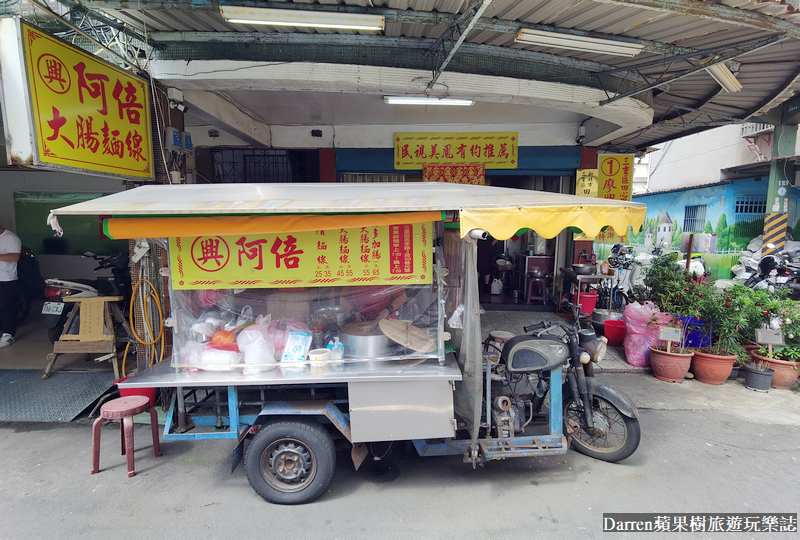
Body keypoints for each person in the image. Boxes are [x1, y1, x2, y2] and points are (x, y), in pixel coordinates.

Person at [0, 225, 21, 349]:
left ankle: (9, 335)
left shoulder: (10, 238)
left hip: (7, 279)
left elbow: (14, 257)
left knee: (7, 307)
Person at [339, 285, 408, 322]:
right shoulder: (355, 276)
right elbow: (343, 299)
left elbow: (402, 296)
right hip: (360, 322)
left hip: (386, 321)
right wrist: (355, 312)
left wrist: (388, 310)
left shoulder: (386, 275)